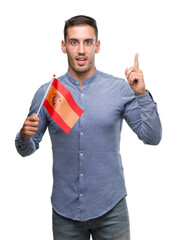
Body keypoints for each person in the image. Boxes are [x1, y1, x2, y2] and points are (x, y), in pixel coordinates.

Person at [15, 15, 162, 240]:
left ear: (97, 45)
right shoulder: (49, 93)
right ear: (64, 46)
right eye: (74, 42)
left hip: (112, 210)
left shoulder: (120, 89)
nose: (81, 50)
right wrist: (24, 136)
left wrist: (141, 94)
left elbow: (152, 137)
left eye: (88, 42)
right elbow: (27, 149)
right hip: (65, 213)